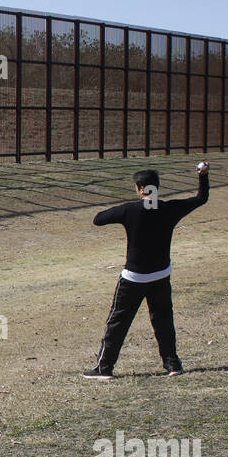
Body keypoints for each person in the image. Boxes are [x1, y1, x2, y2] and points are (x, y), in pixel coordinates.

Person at [83, 162, 210, 379]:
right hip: (161, 275)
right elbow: (201, 198)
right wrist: (202, 176)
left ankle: (104, 368)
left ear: (141, 189)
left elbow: (98, 219)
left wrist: (124, 210)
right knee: (163, 320)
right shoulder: (170, 209)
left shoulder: (129, 210)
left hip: (134, 278)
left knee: (118, 322)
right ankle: (173, 365)